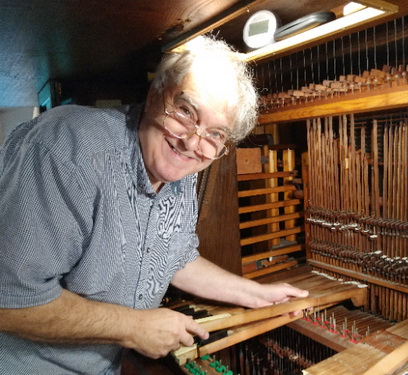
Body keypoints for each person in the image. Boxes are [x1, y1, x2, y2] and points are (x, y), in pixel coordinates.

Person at [0, 36, 308, 374]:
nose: (192, 142)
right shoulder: (68, 148)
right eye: (186, 112)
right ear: (154, 95)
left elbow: (175, 257)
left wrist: (256, 295)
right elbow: (9, 301)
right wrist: (133, 327)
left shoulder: (181, 169)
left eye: (215, 134)